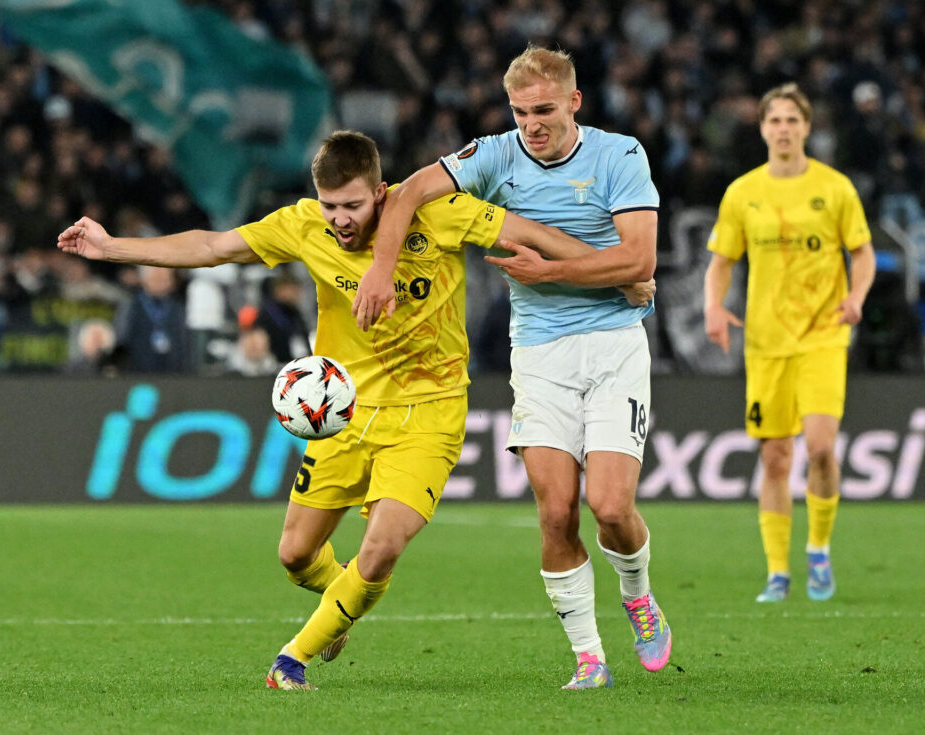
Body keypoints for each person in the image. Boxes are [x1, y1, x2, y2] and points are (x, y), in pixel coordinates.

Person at [57, 130, 644, 691]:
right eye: (330, 204)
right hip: (342, 413)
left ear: (381, 194)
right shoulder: (303, 226)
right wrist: (113, 248)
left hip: (428, 413)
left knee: (384, 545)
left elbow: (533, 233)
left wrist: (623, 273)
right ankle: (341, 602)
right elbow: (213, 247)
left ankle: (294, 658)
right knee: (295, 556)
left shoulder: (440, 215)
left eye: (352, 206)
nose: (339, 218)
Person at [353, 46, 671, 689]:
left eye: (546, 110)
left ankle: (637, 595)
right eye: (522, 112)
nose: (533, 124)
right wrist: (382, 269)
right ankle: (588, 657)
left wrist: (552, 271)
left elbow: (639, 263)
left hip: (613, 345)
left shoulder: (621, 155)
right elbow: (408, 192)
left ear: (574, 102)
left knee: (610, 507)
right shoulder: (495, 154)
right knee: (557, 513)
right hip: (539, 354)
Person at [703, 83, 876, 603]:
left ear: (807, 127)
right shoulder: (743, 192)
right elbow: (721, 262)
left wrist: (857, 297)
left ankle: (818, 548)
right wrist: (714, 307)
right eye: (774, 120)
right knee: (776, 457)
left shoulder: (835, 188)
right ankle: (778, 572)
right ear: (762, 128)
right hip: (766, 342)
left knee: (820, 449)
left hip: (823, 336)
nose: (783, 129)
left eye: (792, 120)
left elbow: (862, 254)